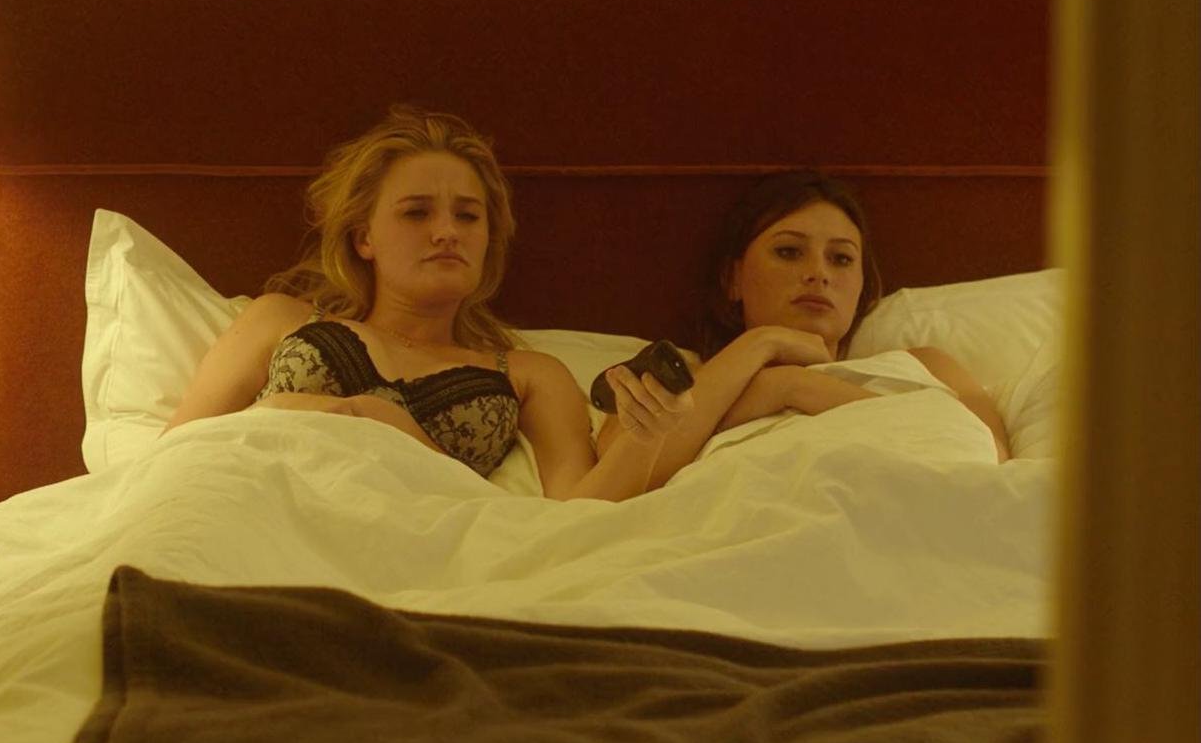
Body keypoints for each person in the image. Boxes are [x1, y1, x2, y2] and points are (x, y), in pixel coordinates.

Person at [166, 105, 692, 501]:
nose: (446, 232)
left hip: (420, 553)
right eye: (416, 213)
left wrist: (645, 437)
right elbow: (175, 455)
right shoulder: (280, 318)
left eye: (468, 216)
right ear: (364, 238)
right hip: (257, 513)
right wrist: (318, 410)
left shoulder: (530, 375)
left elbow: (578, 513)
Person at [597, 170, 1011, 488]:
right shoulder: (669, 380)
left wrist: (798, 388)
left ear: (863, 287)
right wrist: (761, 344)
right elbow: (613, 483)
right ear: (732, 279)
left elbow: (987, 462)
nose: (818, 273)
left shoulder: (927, 365)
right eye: (789, 252)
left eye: (841, 259)